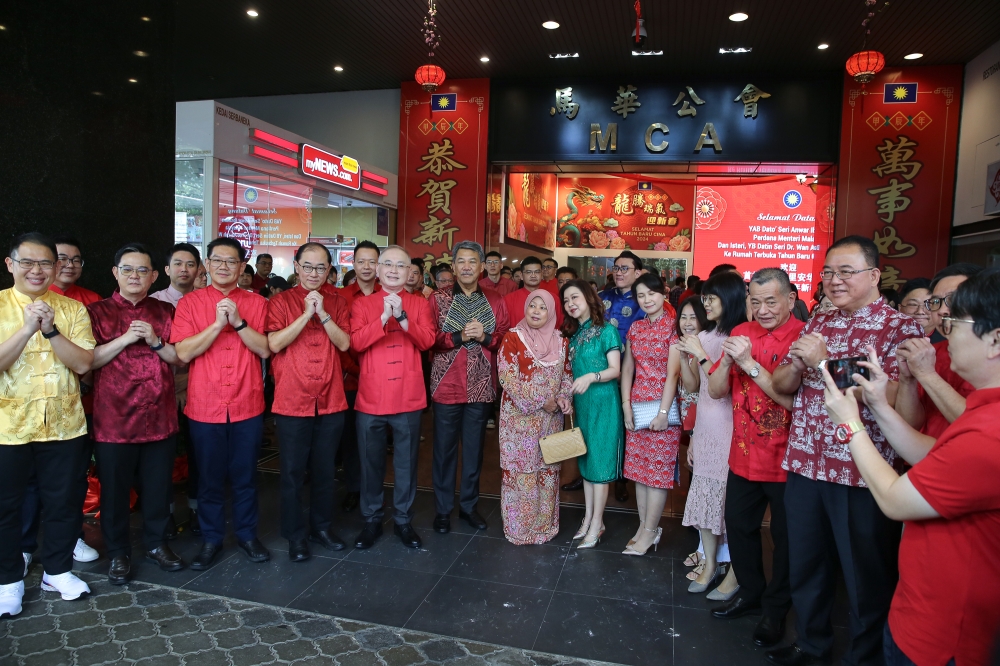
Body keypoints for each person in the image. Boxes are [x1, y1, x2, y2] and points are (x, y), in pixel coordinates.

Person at [819, 268, 1000, 666]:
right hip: (919, 607)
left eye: (954, 322)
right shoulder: (983, 412)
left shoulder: (991, 435)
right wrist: (880, 405)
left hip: (945, 635)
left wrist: (850, 425)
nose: (943, 331)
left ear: (995, 340)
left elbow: (895, 500)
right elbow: (929, 454)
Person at [768, 236, 923, 666]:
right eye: (828, 272)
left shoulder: (898, 328)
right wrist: (799, 364)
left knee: (863, 578)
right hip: (804, 462)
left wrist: (824, 360)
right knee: (806, 565)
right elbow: (782, 385)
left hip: (860, 472)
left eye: (845, 272)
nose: (834, 281)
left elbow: (895, 399)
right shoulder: (818, 320)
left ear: (874, 276)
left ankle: (864, 657)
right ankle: (811, 646)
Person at [706, 269, 804, 648]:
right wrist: (730, 362)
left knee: (785, 539)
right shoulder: (741, 334)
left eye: (771, 301)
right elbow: (715, 391)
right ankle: (751, 593)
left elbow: (793, 402)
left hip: (787, 460)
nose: (761, 310)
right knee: (740, 528)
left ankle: (776, 610)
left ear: (790, 300)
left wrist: (748, 364)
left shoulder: (802, 340)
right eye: (755, 301)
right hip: (743, 457)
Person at [1, 232, 95, 614]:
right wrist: (26, 328)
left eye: (46, 263)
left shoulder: (71, 310)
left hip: (64, 425)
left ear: (57, 267)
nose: (37, 270)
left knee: (64, 502)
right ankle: (8, 579)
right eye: (28, 262)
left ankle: (57, 570)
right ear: (10, 264)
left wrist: (51, 329)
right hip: (9, 426)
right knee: (6, 507)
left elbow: (84, 364)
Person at [170, 237, 272, 570]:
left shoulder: (257, 303)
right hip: (205, 404)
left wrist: (238, 322)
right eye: (217, 260)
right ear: (207, 265)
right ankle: (212, 539)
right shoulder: (190, 304)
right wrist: (217, 324)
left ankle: (247, 535)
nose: (224, 267)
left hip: (247, 402)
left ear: (243, 267)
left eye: (232, 261)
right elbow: (183, 352)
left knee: (245, 476)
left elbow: (265, 349)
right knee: (209, 478)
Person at [88, 243, 184, 584]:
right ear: (115, 273)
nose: (135, 276)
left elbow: (180, 358)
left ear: (155, 276)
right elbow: (88, 363)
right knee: (114, 492)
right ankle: (118, 553)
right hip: (113, 419)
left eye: (143, 270)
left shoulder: (163, 311)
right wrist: (126, 338)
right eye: (127, 269)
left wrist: (156, 340)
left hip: (160, 415)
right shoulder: (97, 312)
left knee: (158, 487)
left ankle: (157, 544)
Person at [266, 242, 351, 562]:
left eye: (321, 268)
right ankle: (295, 534)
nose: (315, 273)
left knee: (325, 469)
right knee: (291, 471)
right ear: (296, 267)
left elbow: (345, 344)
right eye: (308, 266)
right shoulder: (280, 302)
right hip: (292, 399)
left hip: (331, 399)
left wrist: (324, 315)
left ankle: (322, 527)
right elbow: (274, 343)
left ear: (329, 270)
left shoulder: (339, 302)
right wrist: (305, 315)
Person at [350, 245, 435, 550]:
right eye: (388, 265)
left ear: (409, 271)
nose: (394, 270)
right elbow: (356, 343)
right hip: (371, 396)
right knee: (370, 462)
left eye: (401, 266)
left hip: (408, 395)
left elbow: (427, 341)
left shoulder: (419, 303)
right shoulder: (363, 304)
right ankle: (371, 519)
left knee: (406, 462)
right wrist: (383, 316)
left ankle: (402, 520)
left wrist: (401, 318)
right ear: (378, 269)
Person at [23, 234, 100, 566]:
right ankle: (23, 546)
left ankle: (71, 541)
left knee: (69, 483)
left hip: (74, 409)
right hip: (22, 413)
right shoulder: (21, 302)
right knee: (24, 485)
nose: (68, 265)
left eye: (75, 260)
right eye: (61, 259)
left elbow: (91, 358)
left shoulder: (89, 302)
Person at [429, 242, 511, 533]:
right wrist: (459, 336)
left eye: (472, 261)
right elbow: (430, 338)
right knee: (443, 451)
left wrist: (487, 337)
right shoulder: (437, 299)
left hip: (481, 384)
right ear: (452, 267)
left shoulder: (496, 299)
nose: (466, 266)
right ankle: (442, 510)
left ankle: (468, 507)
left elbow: (504, 338)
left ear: (481, 267)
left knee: (475, 450)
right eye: (460, 261)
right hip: (445, 385)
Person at [676, 272, 747, 596]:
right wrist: (686, 356)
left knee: (725, 500)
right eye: (704, 298)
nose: (705, 304)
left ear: (729, 300)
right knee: (704, 496)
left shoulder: (736, 339)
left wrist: (699, 353)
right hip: (704, 424)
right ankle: (709, 563)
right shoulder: (704, 336)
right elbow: (693, 386)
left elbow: (721, 390)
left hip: (728, 426)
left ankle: (732, 566)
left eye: (711, 299)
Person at [497, 290, 573, 545]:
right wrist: (543, 401)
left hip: (550, 422)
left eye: (543, 307)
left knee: (548, 472)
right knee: (521, 472)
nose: (537, 311)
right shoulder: (512, 338)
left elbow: (567, 376)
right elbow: (507, 378)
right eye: (532, 306)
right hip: (518, 423)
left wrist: (563, 398)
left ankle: (543, 527)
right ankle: (519, 529)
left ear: (551, 312)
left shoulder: (562, 341)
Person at [620, 273, 682, 556]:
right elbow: (628, 370)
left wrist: (663, 412)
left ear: (664, 293)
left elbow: (673, 375)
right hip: (637, 406)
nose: (646, 300)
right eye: (641, 295)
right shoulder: (635, 328)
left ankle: (649, 532)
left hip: (662, 409)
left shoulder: (674, 328)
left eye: (651, 294)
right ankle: (644, 527)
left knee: (656, 473)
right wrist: (625, 405)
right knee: (639, 472)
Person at [560, 279, 624, 549]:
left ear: (588, 298)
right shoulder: (574, 334)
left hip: (604, 402)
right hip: (583, 404)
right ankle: (588, 518)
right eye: (566, 301)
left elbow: (615, 369)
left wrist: (592, 376)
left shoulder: (606, 331)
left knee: (599, 465)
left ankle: (597, 523)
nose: (570, 304)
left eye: (575, 297)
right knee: (586, 465)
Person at [601, 251, 664, 503]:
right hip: (601, 375)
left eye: (625, 268)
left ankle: (622, 479)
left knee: (626, 429)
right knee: (601, 426)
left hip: (634, 378)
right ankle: (597, 473)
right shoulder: (601, 297)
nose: (619, 272)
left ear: (638, 273)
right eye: (616, 267)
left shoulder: (646, 302)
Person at [895, 264, 982, 439]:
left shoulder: (993, 357)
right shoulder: (930, 353)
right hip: (924, 458)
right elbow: (910, 424)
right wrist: (907, 380)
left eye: (953, 299)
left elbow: (979, 426)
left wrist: (926, 374)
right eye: (936, 302)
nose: (942, 311)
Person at [151, 242, 203, 536]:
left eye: (191, 264)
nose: (185, 269)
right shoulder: (154, 304)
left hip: (198, 391)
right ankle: (165, 514)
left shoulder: (206, 303)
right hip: (163, 393)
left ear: (198, 270)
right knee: (162, 459)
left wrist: (187, 387)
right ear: (167, 270)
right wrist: (174, 388)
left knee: (200, 457)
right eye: (179, 264)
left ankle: (198, 510)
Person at [338, 241, 382, 513]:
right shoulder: (342, 297)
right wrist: (359, 370)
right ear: (353, 264)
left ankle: (375, 489)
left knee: (375, 440)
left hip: (381, 382)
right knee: (351, 440)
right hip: (350, 381)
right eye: (361, 261)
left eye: (372, 262)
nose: (366, 267)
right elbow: (340, 342)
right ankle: (354, 488)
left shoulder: (387, 294)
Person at [504, 257, 563, 332]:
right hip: (517, 342)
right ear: (521, 276)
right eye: (528, 272)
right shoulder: (508, 299)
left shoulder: (553, 298)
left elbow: (559, 326)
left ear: (542, 274)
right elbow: (504, 328)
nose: (533, 275)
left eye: (537, 272)